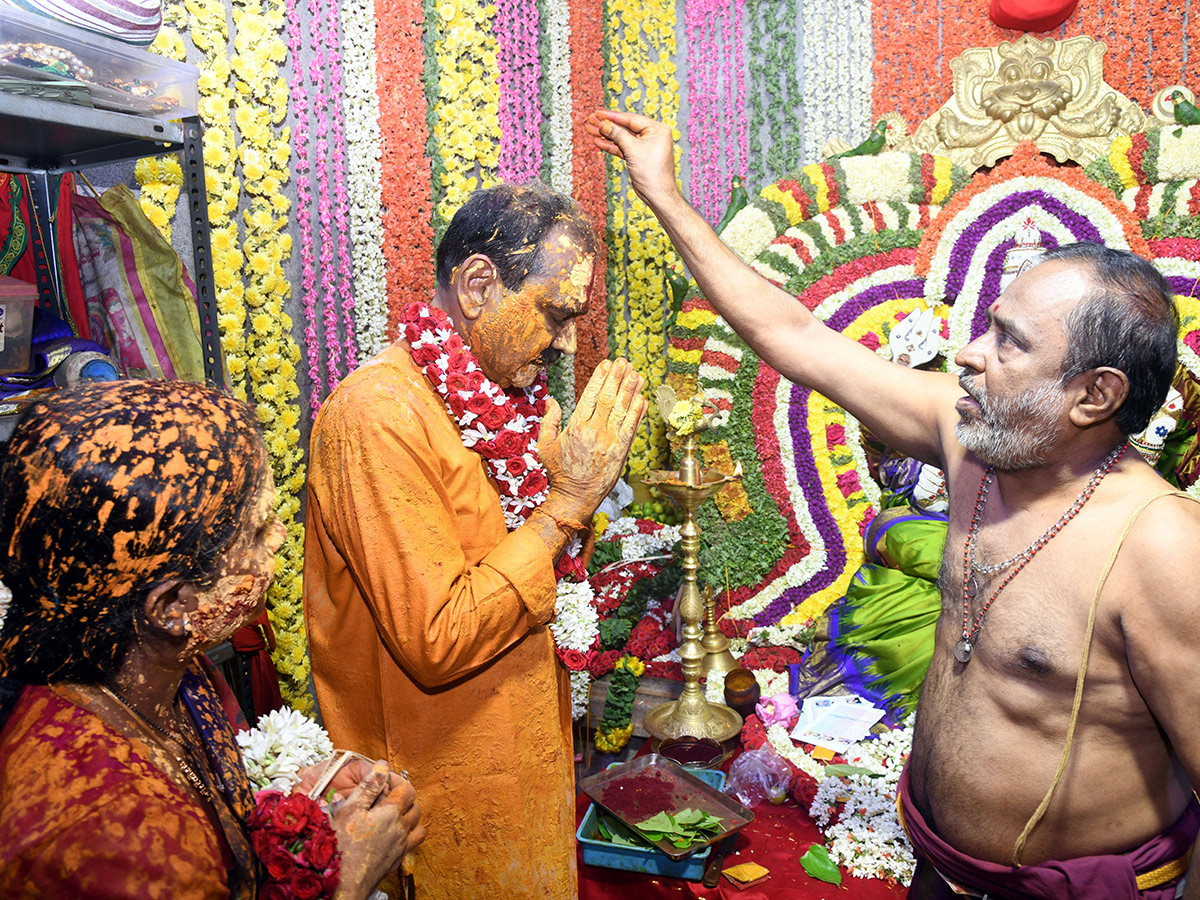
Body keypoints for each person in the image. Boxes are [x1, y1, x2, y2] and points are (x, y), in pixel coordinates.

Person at [588, 110, 1200, 899]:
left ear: (1095, 395)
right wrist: (665, 196)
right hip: (940, 874)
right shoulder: (969, 439)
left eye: (1009, 342)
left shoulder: (1162, 547)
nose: (970, 352)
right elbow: (796, 334)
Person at [304, 182, 646, 900]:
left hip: (525, 770)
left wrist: (562, 499)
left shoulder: (509, 402)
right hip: (438, 803)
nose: (568, 342)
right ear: (478, 285)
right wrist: (567, 505)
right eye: (556, 313)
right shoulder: (378, 417)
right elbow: (437, 639)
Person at [0, 380, 424, 899]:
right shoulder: (101, 831)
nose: (281, 537)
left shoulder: (161, 670)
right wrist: (351, 877)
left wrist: (300, 809)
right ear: (173, 605)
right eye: (257, 530)